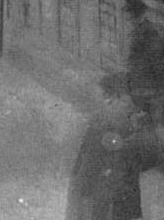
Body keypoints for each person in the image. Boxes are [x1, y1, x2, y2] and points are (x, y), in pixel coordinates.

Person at [65, 72, 149, 220]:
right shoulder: (98, 130)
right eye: (128, 101)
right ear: (111, 99)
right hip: (103, 201)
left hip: (124, 201)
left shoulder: (130, 127)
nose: (133, 108)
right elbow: (84, 180)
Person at [122, 0, 164, 114]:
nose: (128, 19)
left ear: (135, 13)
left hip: (147, 87)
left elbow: (155, 59)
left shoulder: (149, 32)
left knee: (144, 119)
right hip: (138, 85)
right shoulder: (138, 30)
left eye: (129, 14)